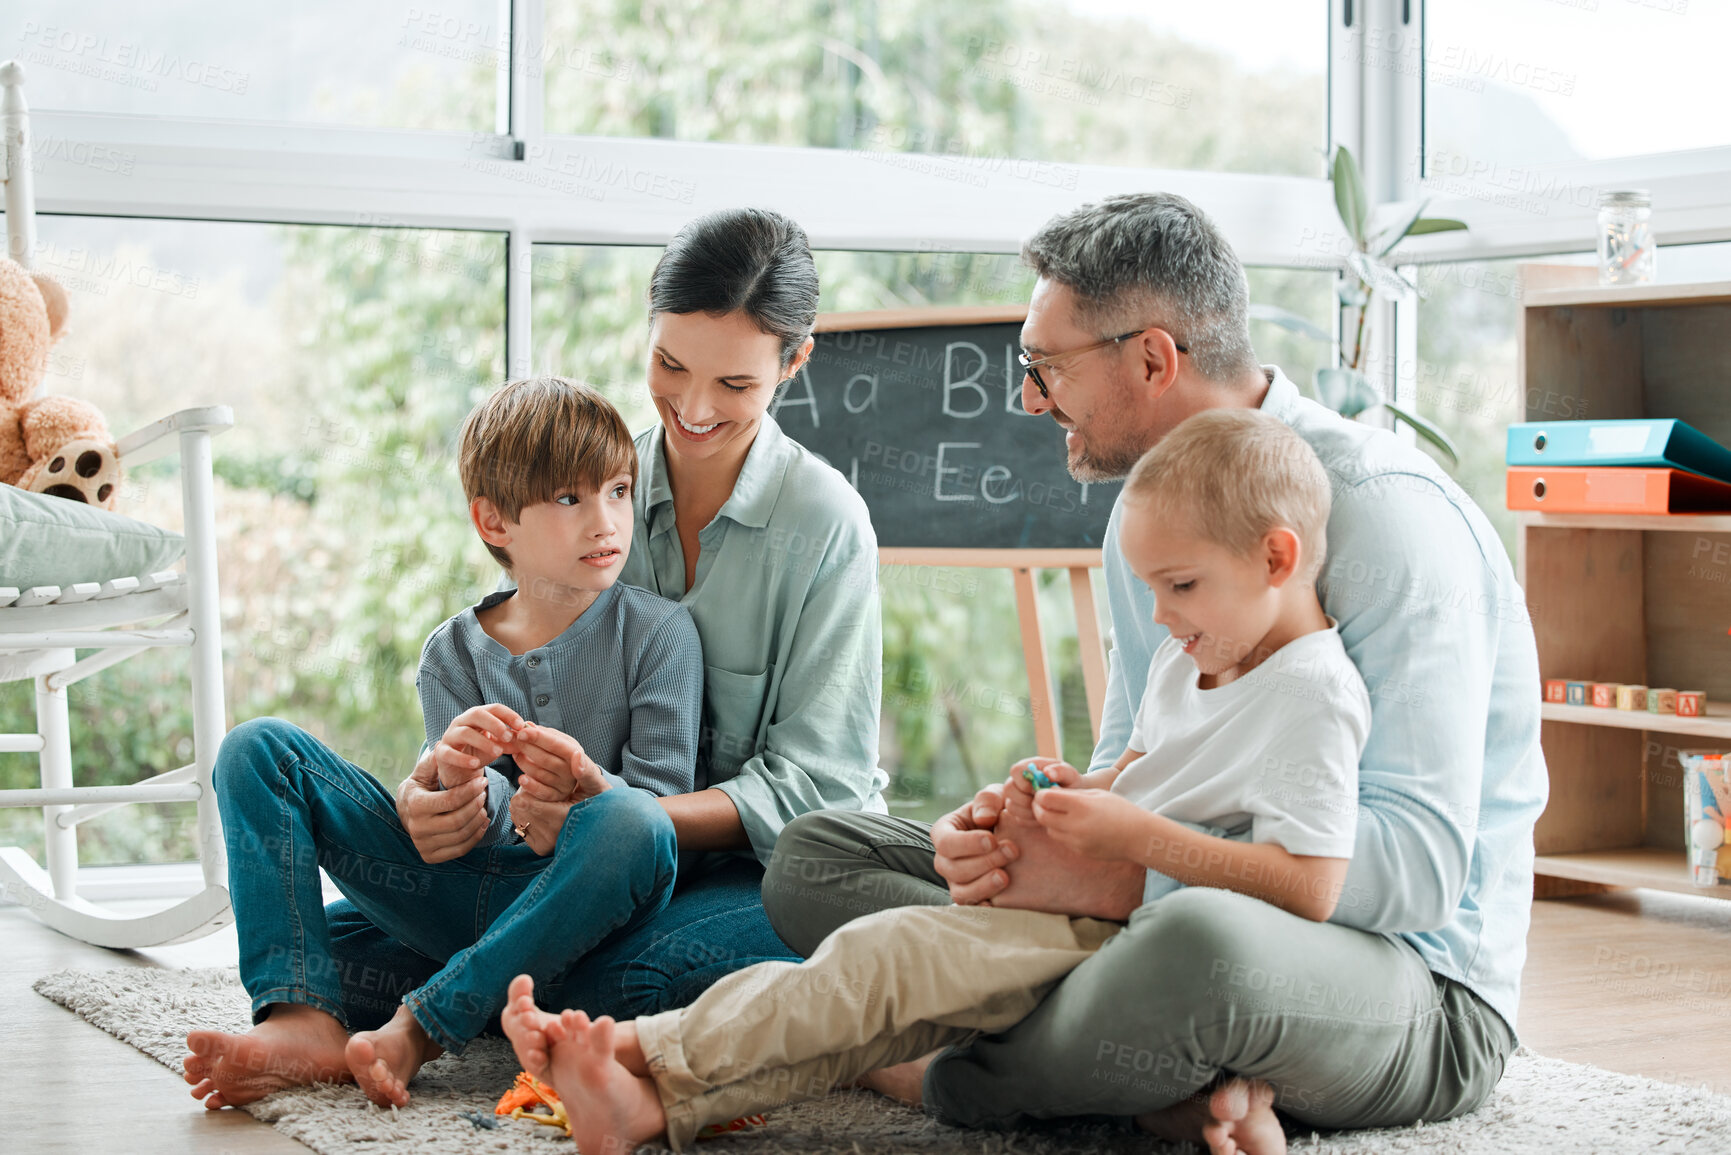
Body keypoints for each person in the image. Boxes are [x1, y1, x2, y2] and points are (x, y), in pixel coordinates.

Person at [763, 192, 1545, 1155]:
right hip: (1153, 925)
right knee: (818, 855)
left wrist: (1133, 876)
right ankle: (1147, 1082)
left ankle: (925, 1069)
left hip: (1413, 987)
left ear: (1151, 358)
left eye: (1046, 368)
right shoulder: (1146, 513)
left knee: (1198, 948)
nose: (1027, 399)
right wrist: (1031, 821)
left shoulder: (1385, 516)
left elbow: (1423, 873)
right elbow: (1134, 765)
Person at [492, 408, 1371, 1155]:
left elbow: (1311, 885)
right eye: (1150, 587)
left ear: (1276, 559)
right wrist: (1062, 789)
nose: (1158, 615)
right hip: (1071, 905)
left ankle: (648, 1055)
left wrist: (1128, 839)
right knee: (875, 955)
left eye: (1178, 585)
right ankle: (647, 1088)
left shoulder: (1311, 694)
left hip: (1137, 935)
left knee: (892, 962)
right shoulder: (1198, 650)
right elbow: (1140, 774)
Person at [309, 206, 889, 1084]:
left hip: (752, 873)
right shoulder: (599, 480)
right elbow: (513, 657)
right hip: (584, 865)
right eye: (668, 365)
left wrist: (617, 813)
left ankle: (454, 1002)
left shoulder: (824, 526)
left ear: (792, 362)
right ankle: (518, 978)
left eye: (734, 384)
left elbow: (818, 787)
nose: (693, 408)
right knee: (329, 932)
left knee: (639, 970)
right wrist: (431, 787)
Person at [183, 378, 703, 1109]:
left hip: (584, 909)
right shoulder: (450, 651)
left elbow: (660, 814)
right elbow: (454, 838)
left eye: (617, 490)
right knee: (257, 748)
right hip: (464, 894)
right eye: (568, 498)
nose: (604, 520)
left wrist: (587, 789)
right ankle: (303, 1019)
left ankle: (423, 1023)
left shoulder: (659, 633)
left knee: (633, 822)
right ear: (494, 520)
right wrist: (440, 783)